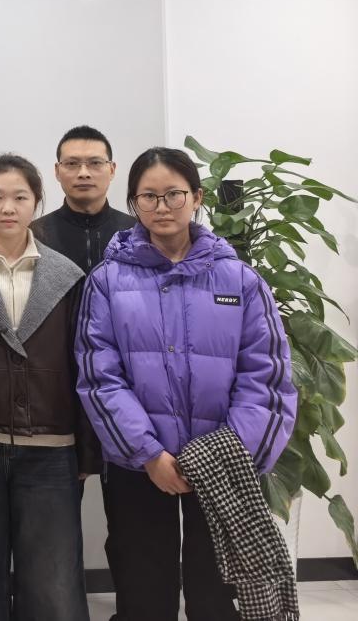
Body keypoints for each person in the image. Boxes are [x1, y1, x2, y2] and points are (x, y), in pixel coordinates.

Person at [76, 147, 297, 621]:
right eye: (148, 197)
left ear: (196, 198)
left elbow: (266, 375)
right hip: (141, 466)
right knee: (143, 591)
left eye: (173, 194)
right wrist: (149, 453)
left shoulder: (241, 280)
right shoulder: (107, 281)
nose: (162, 207)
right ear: (134, 203)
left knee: (217, 593)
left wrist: (226, 453)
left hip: (223, 462)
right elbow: (99, 376)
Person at [0, 154, 97, 621]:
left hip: (51, 447)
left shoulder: (67, 275)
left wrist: (85, 452)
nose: (7, 207)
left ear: (36, 202)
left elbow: (85, 366)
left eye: (19, 197)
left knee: (52, 582)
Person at [33, 125, 136, 275]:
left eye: (95, 163)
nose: (83, 173)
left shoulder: (136, 232)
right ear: (57, 171)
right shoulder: (35, 235)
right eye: (72, 163)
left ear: (112, 170)